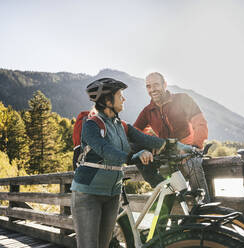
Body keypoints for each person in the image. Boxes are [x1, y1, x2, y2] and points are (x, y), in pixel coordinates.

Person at [70, 77, 192, 248]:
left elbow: (150, 140)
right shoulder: (91, 125)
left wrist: (181, 146)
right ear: (107, 101)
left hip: (112, 194)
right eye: (120, 95)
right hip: (88, 194)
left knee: (103, 245)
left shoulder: (121, 125)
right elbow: (106, 150)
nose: (124, 99)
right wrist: (134, 156)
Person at [134, 72, 210, 202]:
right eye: (148, 86)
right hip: (167, 157)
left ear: (165, 85)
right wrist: (149, 147)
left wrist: (195, 147)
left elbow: (200, 123)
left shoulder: (182, 99)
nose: (152, 90)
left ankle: (203, 211)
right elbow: (134, 133)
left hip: (189, 152)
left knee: (194, 166)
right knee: (169, 192)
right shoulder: (147, 111)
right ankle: (172, 217)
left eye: (156, 85)